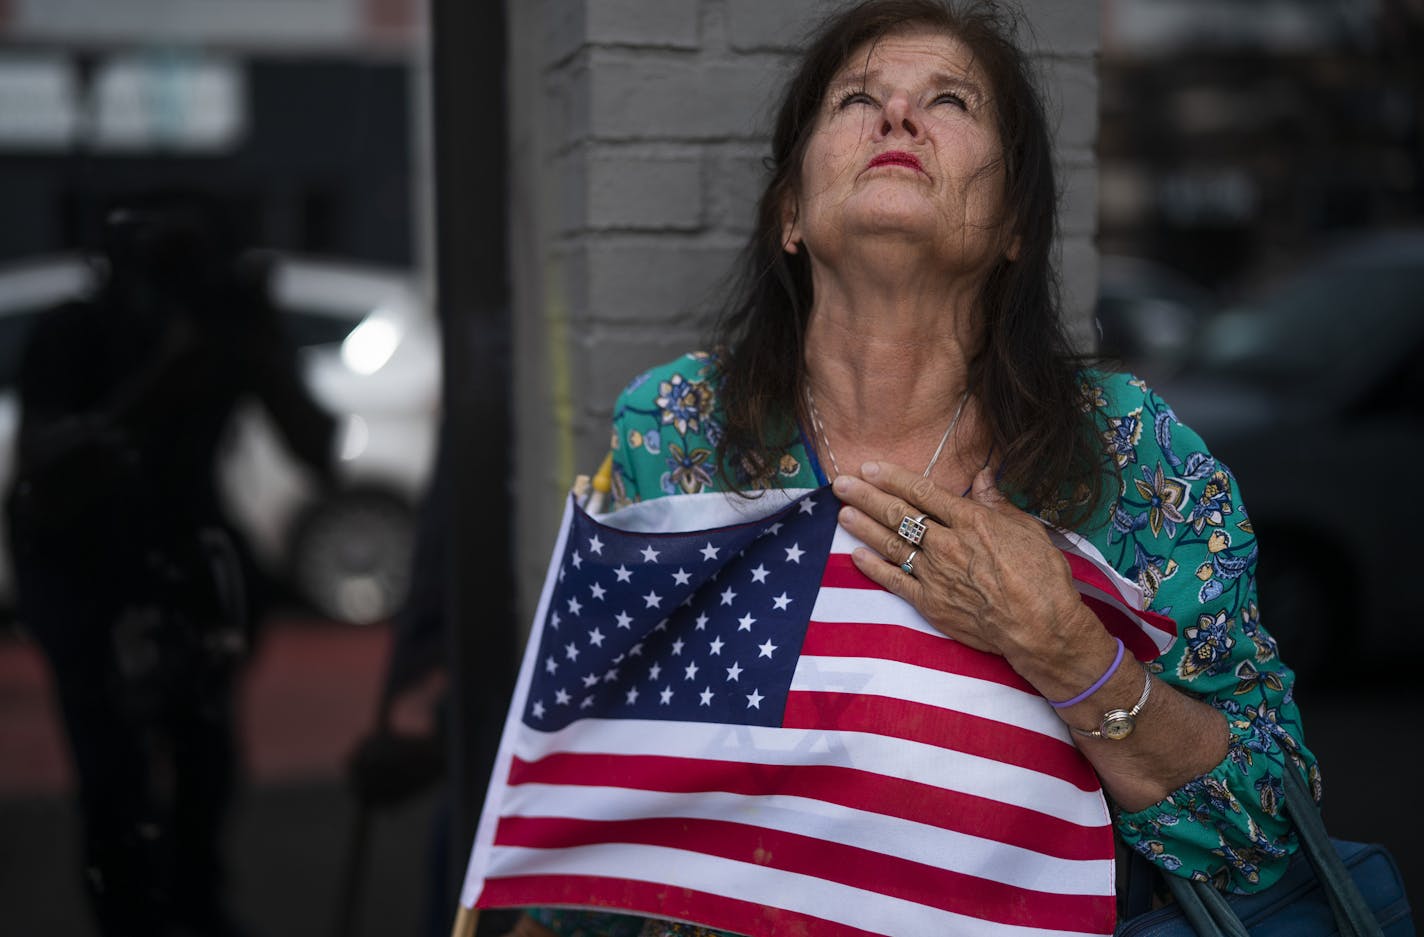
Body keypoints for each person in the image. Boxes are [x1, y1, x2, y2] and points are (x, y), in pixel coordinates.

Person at [502, 1, 1314, 934]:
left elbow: (1264, 822)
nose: (897, 118)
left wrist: (1067, 650)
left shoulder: (1129, 456)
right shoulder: (677, 433)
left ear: (1014, 222)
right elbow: (609, 809)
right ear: (792, 214)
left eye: (951, 103)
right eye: (857, 99)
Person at [4, 194, 338, 936]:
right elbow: (48, 473)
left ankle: (196, 903)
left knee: (205, 765)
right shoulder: (75, 334)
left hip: (185, 567)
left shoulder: (223, 332)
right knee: (113, 780)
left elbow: (317, 451)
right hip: (85, 573)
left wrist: (262, 352)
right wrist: (161, 382)